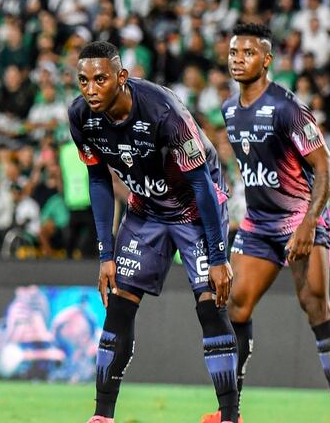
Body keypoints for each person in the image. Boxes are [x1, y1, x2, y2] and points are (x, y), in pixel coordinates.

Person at [68, 40, 237, 423]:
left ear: (121, 77)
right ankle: (102, 416)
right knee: (119, 303)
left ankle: (230, 416)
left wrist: (218, 257)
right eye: (83, 81)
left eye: (100, 79)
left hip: (195, 209)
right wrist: (106, 255)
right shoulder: (81, 116)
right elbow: (98, 180)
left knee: (210, 306)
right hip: (145, 211)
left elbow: (202, 185)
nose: (90, 89)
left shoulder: (164, 111)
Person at [214, 22, 330, 423]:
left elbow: (325, 164)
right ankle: (230, 414)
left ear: (267, 60)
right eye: (234, 53)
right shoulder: (228, 110)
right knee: (235, 308)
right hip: (259, 223)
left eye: (248, 54)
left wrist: (310, 221)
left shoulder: (287, 107)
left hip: (299, 219)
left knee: (315, 307)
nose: (239, 60)